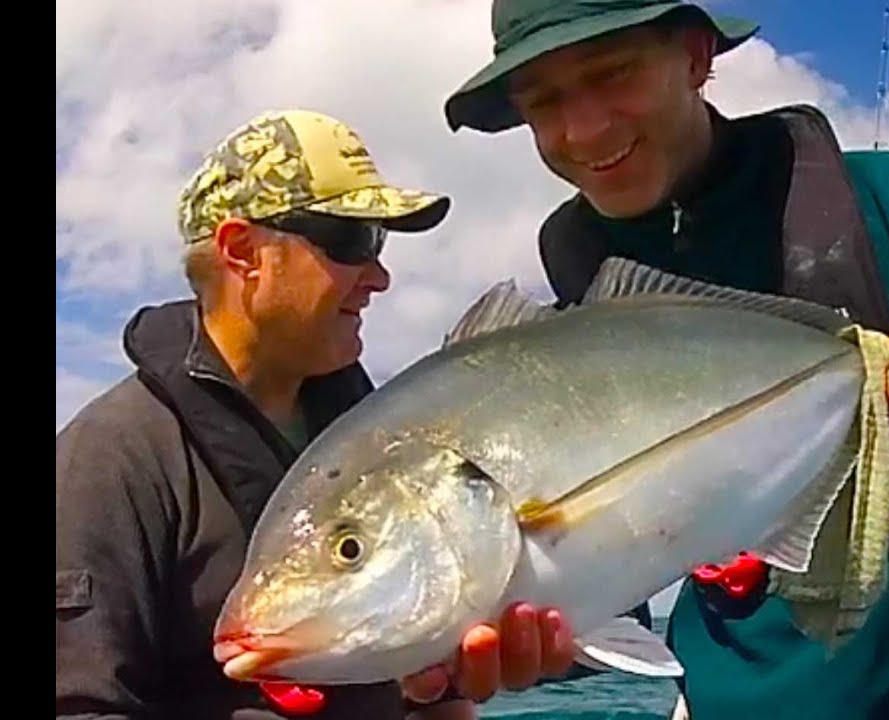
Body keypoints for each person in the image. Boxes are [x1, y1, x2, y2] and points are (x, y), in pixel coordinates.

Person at [442, 2, 889, 719]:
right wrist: (484, 648)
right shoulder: (578, 308)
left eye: (615, 73)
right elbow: (613, 578)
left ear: (696, 57)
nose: (585, 128)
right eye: (543, 101)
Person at [55, 108, 572, 720]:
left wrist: (438, 685)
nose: (379, 276)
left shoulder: (374, 433)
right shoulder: (112, 459)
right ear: (243, 251)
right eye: (351, 241)